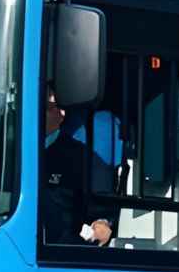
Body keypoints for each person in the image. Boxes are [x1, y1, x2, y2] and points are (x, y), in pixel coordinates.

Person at [41, 86, 122, 246]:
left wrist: (101, 222)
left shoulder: (78, 155)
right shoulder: (7, 146)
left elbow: (98, 211)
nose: (62, 113)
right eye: (52, 107)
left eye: (60, 107)